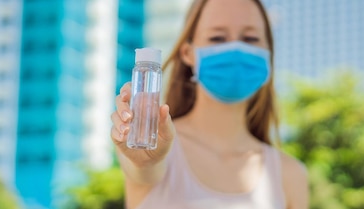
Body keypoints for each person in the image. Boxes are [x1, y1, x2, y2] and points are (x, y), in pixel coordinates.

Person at [110, 0, 308, 208]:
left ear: (269, 54)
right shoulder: (156, 144)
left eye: (251, 38)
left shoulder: (290, 175)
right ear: (187, 54)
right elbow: (144, 167)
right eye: (217, 38)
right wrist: (145, 160)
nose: (235, 48)